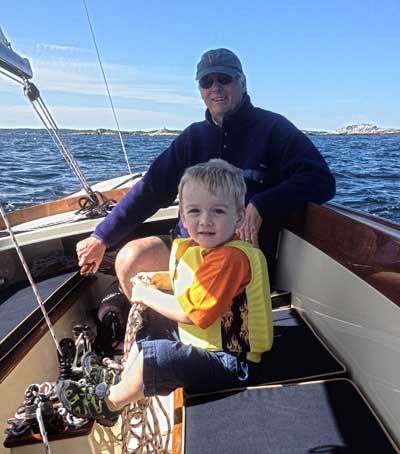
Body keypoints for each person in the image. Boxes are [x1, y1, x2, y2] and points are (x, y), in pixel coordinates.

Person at [76, 47, 335, 294]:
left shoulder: (273, 129)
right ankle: (166, 333)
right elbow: (151, 190)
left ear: (242, 83)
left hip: (240, 254)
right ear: (200, 90)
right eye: (206, 82)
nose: (215, 88)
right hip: (189, 247)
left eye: (224, 79)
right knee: (130, 260)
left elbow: (320, 181)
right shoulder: (192, 137)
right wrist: (101, 237)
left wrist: (262, 204)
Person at [58, 159, 273, 425]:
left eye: (218, 211)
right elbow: (192, 283)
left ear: (239, 216)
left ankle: (109, 404)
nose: (205, 221)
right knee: (155, 320)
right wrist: (158, 280)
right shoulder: (206, 250)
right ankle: (125, 377)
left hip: (232, 361)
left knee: (160, 356)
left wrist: (146, 294)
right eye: (194, 211)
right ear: (182, 216)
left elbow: (190, 313)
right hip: (207, 344)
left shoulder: (231, 258)